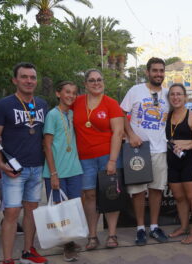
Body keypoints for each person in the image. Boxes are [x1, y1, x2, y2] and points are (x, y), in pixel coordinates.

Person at [0, 62, 48, 264]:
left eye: (32, 77)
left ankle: (28, 253)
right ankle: (7, 258)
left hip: (37, 166)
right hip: (14, 169)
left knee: (31, 210)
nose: (29, 81)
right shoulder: (3, 105)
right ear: (15, 80)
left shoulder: (42, 104)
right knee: (12, 212)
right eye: (24, 77)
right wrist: (1, 162)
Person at [72, 69, 124, 250]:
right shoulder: (77, 102)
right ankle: (92, 235)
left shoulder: (111, 104)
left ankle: (111, 234)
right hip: (84, 158)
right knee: (89, 196)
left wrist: (112, 160)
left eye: (99, 80)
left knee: (110, 195)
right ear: (85, 84)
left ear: (103, 82)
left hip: (107, 156)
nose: (96, 83)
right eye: (92, 80)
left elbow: (118, 132)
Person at [120, 57, 170, 246]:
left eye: (161, 71)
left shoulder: (168, 94)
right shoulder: (135, 91)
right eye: (155, 70)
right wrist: (131, 134)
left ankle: (154, 227)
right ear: (147, 72)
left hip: (160, 149)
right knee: (139, 191)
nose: (158, 74)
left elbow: (180, 112)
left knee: (156, 190)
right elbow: (122, 114)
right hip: (138, 149)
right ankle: (140, 228)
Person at [42, 81, 83, 261]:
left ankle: (70, 241)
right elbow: (47, 145)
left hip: (74, 169)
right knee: (60, 211)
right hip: (57, 171)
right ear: (58, 94)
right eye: (67, 92)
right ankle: (68, 246)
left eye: (74, 93)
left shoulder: (73, 114)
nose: (71, 96)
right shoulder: (52, 114)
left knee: (73, 209)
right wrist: (53, 173)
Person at [165, 83, 192, 244]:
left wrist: (188, 145)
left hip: (189, 160)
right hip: (172, 161)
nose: (175, 97)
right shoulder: (166, 116)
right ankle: (183, 227)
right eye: (172, 95)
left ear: (185, 97)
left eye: (179, 94)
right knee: (179, 197)